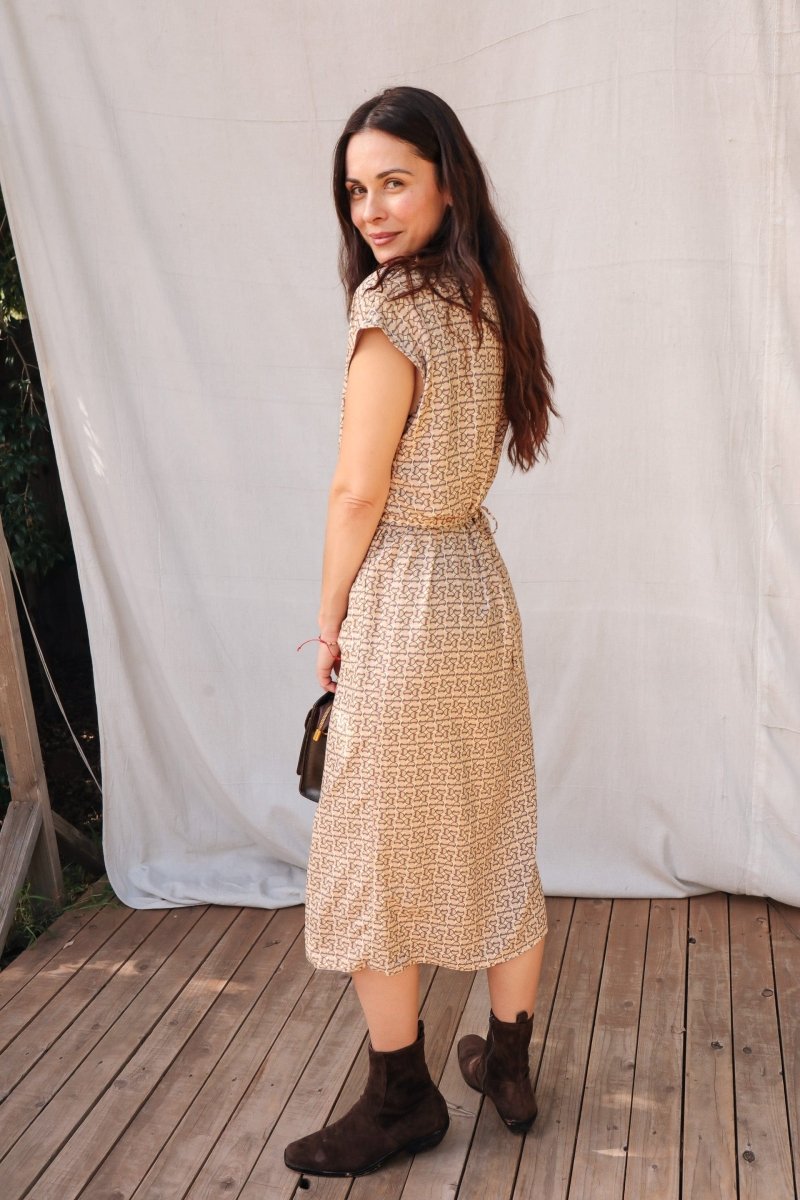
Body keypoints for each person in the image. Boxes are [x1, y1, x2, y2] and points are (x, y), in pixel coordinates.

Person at [285, 85, 558, 1179]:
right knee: (495, 829)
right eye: (356, 191)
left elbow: (358, 490)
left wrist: (327, 619)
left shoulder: (391, 309)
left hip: (405, 595)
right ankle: (509, 1065)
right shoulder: (485, 296)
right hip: (479, 590)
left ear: (448, 182)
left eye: (393, 182)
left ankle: (403, 1099)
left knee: (370, 849)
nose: (371, 211)